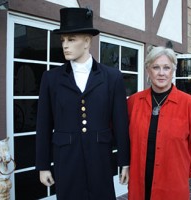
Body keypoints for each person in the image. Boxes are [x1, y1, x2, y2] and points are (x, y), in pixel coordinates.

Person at [35, 7, 130, 200]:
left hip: (100, 158)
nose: (65, 45)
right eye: (63, 41)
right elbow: (43, 125)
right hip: (66, 159)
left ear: (87, 41)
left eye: (71, 39)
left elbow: (121, 123)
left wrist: (124, 161)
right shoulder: (51, 78)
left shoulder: (112, 77)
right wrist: (43, 165)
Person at [127, 46, 191, 200]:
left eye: (166, 67)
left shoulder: (190, 105)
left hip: (173, 181)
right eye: (156, 67)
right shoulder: (134, 102)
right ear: (148, 70)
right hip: (139, 181)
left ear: (173, 71)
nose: (161, 73)